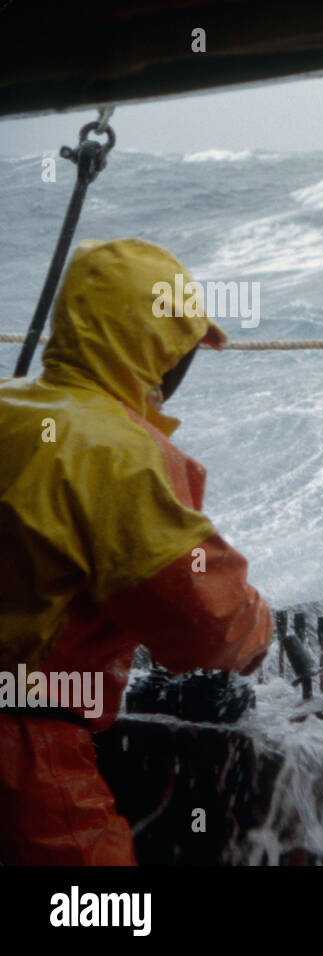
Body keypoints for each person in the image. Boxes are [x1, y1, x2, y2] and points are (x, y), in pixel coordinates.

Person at [0, 238, 271, 865]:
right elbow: (204, 622)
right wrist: (257, 629)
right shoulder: (117, 455)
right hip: (23, 744)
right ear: (156, 352)